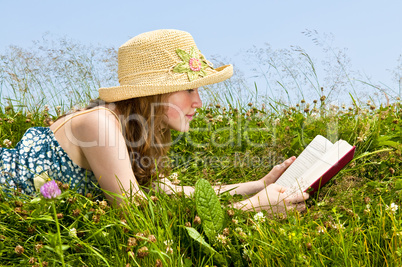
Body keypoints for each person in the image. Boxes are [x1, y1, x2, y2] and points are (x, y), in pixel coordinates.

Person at [0, 29, 308, 213]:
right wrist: (251, 210)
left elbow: (165, 193)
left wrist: (257, 185)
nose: (198, 101)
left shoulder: (134, 129)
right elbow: (136, 215)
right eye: (189, 88)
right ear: (154, 94)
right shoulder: (100, 125)